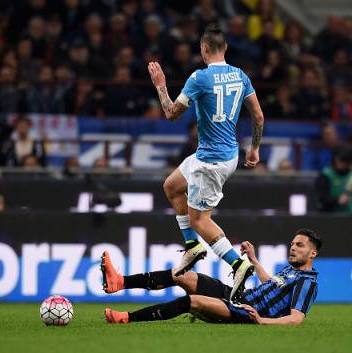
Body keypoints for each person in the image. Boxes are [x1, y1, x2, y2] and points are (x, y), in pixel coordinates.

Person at [147, 23, 265, 301]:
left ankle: (239, 265)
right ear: (225, 48)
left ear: (204, 49)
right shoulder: (240, 75)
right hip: (224, 154)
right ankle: (192, 247)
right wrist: (255, 148)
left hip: (210, 161)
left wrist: (161, 87)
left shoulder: (199, 78)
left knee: (200, 219)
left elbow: (171, 114)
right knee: (172, 186)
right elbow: (258, 116)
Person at [102, 228, 320, 325]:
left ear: (312, 253)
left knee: (193, 302)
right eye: (292, 244)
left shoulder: (307, 282)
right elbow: (271, 284)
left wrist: (262, 321)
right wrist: (254, 260)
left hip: (244, 312)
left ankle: (128, 318)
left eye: (299, 245)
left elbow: (296, 319)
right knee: (183, 275)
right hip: (239, 296)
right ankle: (119, 282)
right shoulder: (291, 271)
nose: (293, 248)